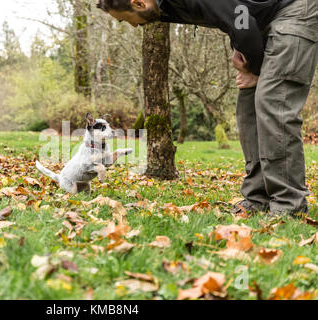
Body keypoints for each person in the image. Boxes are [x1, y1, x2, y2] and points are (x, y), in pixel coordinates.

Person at [96, 0, 317, 217]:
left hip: (294, 9)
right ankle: (258, 198)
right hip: (262, 19)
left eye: (126, 20)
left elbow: (239, 16)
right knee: (248, 105)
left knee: (273, 101)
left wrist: (255, 70)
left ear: (138, 3)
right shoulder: (165, 6)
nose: (133, 25)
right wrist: (241, 49)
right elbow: (238, 14)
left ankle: (289, 203)